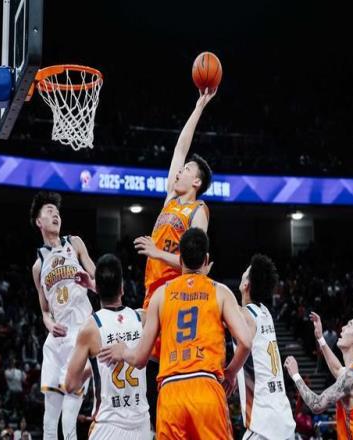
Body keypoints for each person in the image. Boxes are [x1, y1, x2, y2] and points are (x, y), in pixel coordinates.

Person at [100, 228, 252, 439]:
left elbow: (140, 359)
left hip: (171, 393)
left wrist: (123, 350)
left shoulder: (160, 295)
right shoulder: (220, 291)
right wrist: (231, 373)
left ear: (180, 260)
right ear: (206, 259)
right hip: (206, 387)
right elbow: (245, 342)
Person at [134, 89, 216, 425]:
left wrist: (156, 252)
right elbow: (180, 148)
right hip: (152, 291)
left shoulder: (199, 211)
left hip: (176, 295)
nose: (178, 171)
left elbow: (196, 262)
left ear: (196, 181)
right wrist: (197, 107)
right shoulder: (170, 199)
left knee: (161, 372)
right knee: (146, 371)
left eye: (185, 170)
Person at [30, 191, 96, 440]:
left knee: (69, 419)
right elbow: (45, 311)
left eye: (57, 212)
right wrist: (49, 325)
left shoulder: (74, 243)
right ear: (39, 221)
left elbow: (100, 282)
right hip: (57, 340)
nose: (55, 214)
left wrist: (91, 282)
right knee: (50, 419)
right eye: (49, 211)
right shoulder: (38, 266)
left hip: (81, 335)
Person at [65, 254, 150, 439]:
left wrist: (92, 369)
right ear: (122, 287)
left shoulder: (90, 328)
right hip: (141, 426)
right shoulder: (143, 318)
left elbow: (70, 385)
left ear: (98, 290)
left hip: (108, 426)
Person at [284, 313, 353, 440]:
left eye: (349, 325)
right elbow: (338, 369)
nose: (343, 328)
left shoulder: (351, 377)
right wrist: (320, 338)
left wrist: (295, 375)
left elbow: (317, 405)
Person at [236, 254, 296, 440]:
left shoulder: (244, 315)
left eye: (245, 273)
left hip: (263, 423)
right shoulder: (265, 313)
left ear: (246, 285)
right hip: (283, 418)